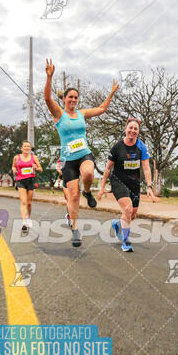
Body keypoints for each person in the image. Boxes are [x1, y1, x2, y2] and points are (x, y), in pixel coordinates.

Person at [44, 58, 119, 247]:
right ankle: (75, 229)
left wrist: (110, 93)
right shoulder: (58, 115)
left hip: (84, 154)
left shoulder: (82, 114)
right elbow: (46, 98)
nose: (73, 100)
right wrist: (49, 77)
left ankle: (88, 192)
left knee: (88, 173)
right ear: (64, 99)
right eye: (70, 97)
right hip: (68, 160)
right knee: (73, 196)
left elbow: (102, 109)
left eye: (76, 98)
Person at [97, 117, 156, 252]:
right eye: (131, 128)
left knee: (132, 215)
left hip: (134, 183)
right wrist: (102, 187)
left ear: (138, 132)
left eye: (136, 129)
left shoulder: (141, 147)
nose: (133, 131)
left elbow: (146, 168)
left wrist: (149, 186)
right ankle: (126, 242)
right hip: (118, 181)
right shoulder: (117, 147)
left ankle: (117, 224)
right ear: (125, 129)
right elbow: (107, 168)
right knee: (128, 209)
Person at [12, 140, 43, 234]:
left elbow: (41, 169)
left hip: (31, 181)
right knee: (24, 202)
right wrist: (14, 170)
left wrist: (36, 168)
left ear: (30, 148)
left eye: (28, 146)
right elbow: (13, 166)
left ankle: (28, 218)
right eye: (25, 146)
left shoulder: (34, 157)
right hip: (21, 181)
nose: (26, 148)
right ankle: (24, 222)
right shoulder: (16, 157)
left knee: (29, 203)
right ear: (21, 148)